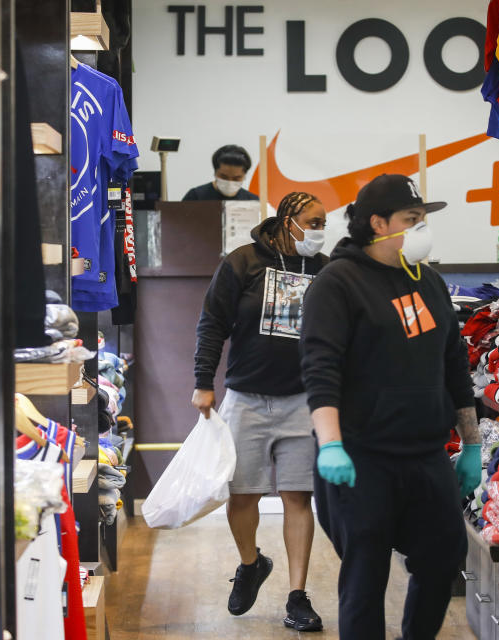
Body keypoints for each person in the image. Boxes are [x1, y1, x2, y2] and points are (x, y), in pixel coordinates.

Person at [299, 174, 482, 640]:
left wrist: (473, 443)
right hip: (360, 458)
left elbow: (455, 364)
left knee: (443, 558)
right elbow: (321, 371)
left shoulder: (430, 281)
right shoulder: (337, 282)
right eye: (412, 219)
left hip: (425, 453)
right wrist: (330, 444)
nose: (422, 228)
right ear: (377, 223)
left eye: (423, 219)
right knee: (365, 576)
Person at [192, 191, 329, 632]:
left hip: (302, 401)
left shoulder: (323, 269)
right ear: (288, 219)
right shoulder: (243, 262)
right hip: (246, 398)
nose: (319, 230)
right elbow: (212, 322)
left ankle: (297, 596)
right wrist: (202, 383)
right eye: (313, 221)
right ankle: (251, 564)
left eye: (324, 222)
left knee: (297, 496)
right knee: (243, 495)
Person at [182, 144, 260, 201]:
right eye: (224, 177)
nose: (230, 182)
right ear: (215, 172)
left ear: (244, 175)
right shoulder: (195, 196)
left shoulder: (252, 202)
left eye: (236, 178)